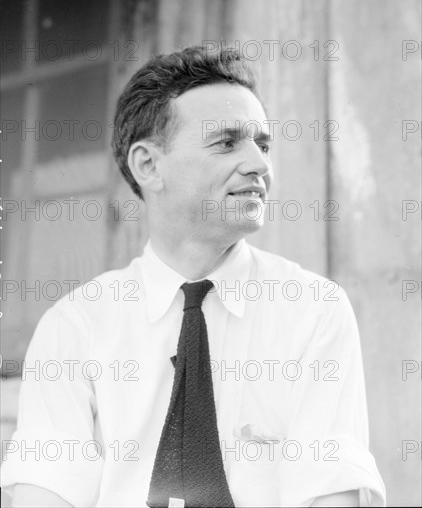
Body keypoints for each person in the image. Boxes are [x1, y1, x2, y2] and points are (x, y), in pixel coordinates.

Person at [2, 46, 386, 507]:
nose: (260, 165)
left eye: (262, 145)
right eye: (227, 143)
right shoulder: (75, 327)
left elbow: (330, 494)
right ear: (148, 166)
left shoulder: (313, 311)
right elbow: (44, 495)